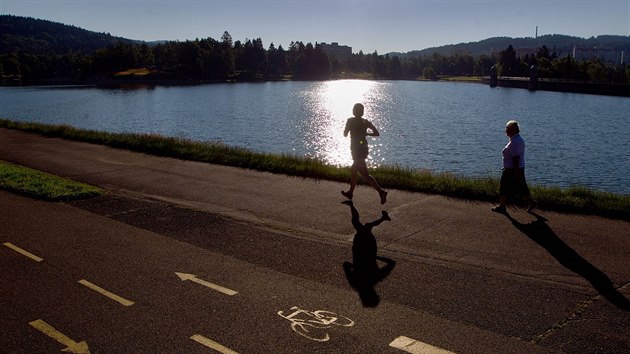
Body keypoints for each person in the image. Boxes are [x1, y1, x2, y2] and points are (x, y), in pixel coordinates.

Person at [341, 103, 388, 204]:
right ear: (362, 111)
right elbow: (377, 133)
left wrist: (348, 130)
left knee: (365, 175)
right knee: (354, 170)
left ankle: (381, 192)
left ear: (353, 111)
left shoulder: (350, 121)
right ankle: (350, 193)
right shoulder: (366, 122)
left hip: (356, 150)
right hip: (363, 148)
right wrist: (366, 133)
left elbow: (345, 134)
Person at [492, 120, 536, 213]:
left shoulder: (515, 142)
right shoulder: (517, 139)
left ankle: (502, 206)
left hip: (512, 170)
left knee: (504, 186)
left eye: (507, 129)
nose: (505, 131)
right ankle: (531, 202)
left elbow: (516, 158)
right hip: (514, 169)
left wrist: (516, 172)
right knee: (520, 187)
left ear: (512, 130)